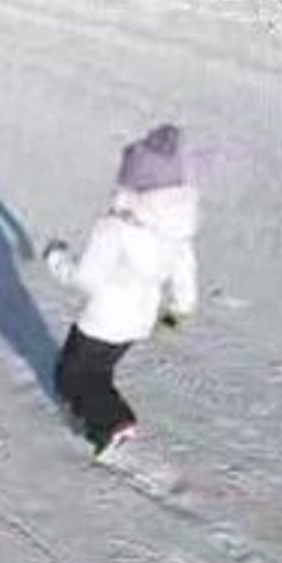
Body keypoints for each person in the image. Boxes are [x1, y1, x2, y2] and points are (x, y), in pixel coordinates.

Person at [43, 124, 200, 459]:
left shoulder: (115, 227)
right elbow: (185, 290)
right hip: (138, 322)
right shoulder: (176, 232)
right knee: (99, 373)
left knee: (69, 376)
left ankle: (113, 423)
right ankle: (108, 417)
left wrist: (57, 260)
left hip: (102, 319)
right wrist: (169, 322)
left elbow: (88, 278)